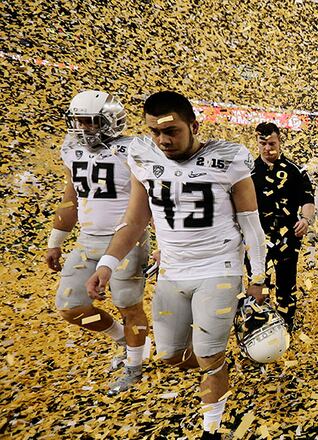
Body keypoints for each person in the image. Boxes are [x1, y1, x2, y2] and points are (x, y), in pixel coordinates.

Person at [86, 91, 268, 439]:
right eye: (154, 131)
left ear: (193, 125)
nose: (162, 139)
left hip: (219, 266)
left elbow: (250, 224)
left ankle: (212, 427)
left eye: (171, 131)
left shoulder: (227, 159)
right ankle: (218, 365)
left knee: (207, 352)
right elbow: (135, 221)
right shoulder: (143, 157)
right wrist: (107, 264)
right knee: (170, 355)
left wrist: (257, 276)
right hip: (172, 271)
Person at [45, 90, 151, 395]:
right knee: (70, 306)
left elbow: (149, 201)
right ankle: (124, 339)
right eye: (77, 121)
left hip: (126, 238)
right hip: (87, 238)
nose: (82, 128)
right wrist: (56, 241)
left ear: (110, 121)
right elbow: (71, 197)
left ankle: (135, 365)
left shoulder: (132, 150)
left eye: (90, 121)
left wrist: (163, 244)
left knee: (127, 304)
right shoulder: (71, 149)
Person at [250, 122, 315, 331]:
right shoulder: (248, 172)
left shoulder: (295, 171)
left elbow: (308, 199)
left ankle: (287, 324)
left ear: (280, 142)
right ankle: (262, 324)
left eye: (272, 143)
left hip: (288, 236)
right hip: (257, 238)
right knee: (260, 281)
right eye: (263, 144)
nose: (268, 148)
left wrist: (305, 220)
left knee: (286, 281)